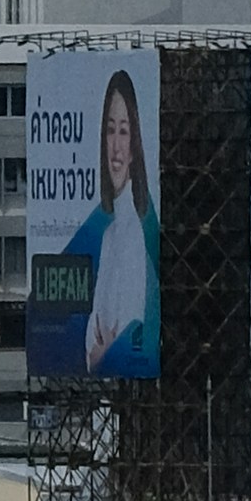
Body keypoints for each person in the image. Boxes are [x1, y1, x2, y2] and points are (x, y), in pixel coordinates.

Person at [65, 63, 156, 376]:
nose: (115, 145)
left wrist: (104, 349)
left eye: (124, 131)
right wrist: (99, 350)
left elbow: (126, 336)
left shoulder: (133, 235)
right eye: (109, 129)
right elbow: (91, 341)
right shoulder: (109, 234)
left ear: (134, 147)